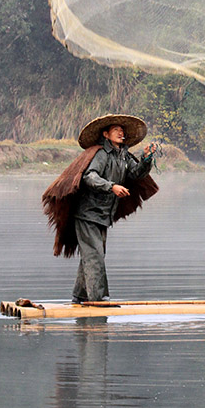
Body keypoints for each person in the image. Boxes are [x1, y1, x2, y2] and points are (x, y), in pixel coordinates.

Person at [42, 114, 159, 303]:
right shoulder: (101, 154)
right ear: (106, 134)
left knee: (93, 254)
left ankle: (79, 296)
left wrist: (146, 158)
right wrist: (111, 186)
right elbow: (89, 176)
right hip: (87, 214)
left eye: (122, 130)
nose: (121, 133)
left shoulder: (123, 156)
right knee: (95, 255)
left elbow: (137, 174)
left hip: (103, 214)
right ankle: (98, 298)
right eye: (116, 130)